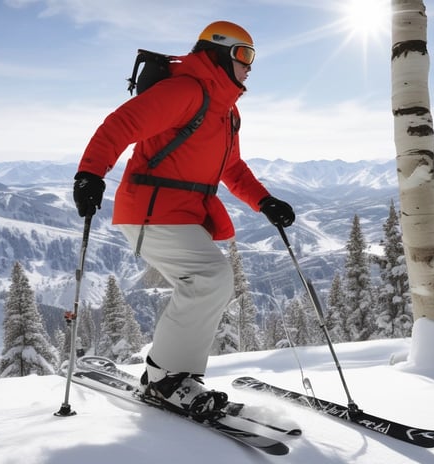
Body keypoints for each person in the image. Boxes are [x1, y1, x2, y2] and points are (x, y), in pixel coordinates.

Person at [72, 20, 295, 417]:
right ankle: (165, 379)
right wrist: (90, 172)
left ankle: (177, 375)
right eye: (244, 55)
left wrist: (265, 202)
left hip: (182, 214)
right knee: (210, 278)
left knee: (211, 282)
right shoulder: (186, 90)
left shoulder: (227, 112)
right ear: (220, 52)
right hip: (149, 210)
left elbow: (232, 167)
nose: (250, 66)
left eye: (253, 57)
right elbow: (121, 124)